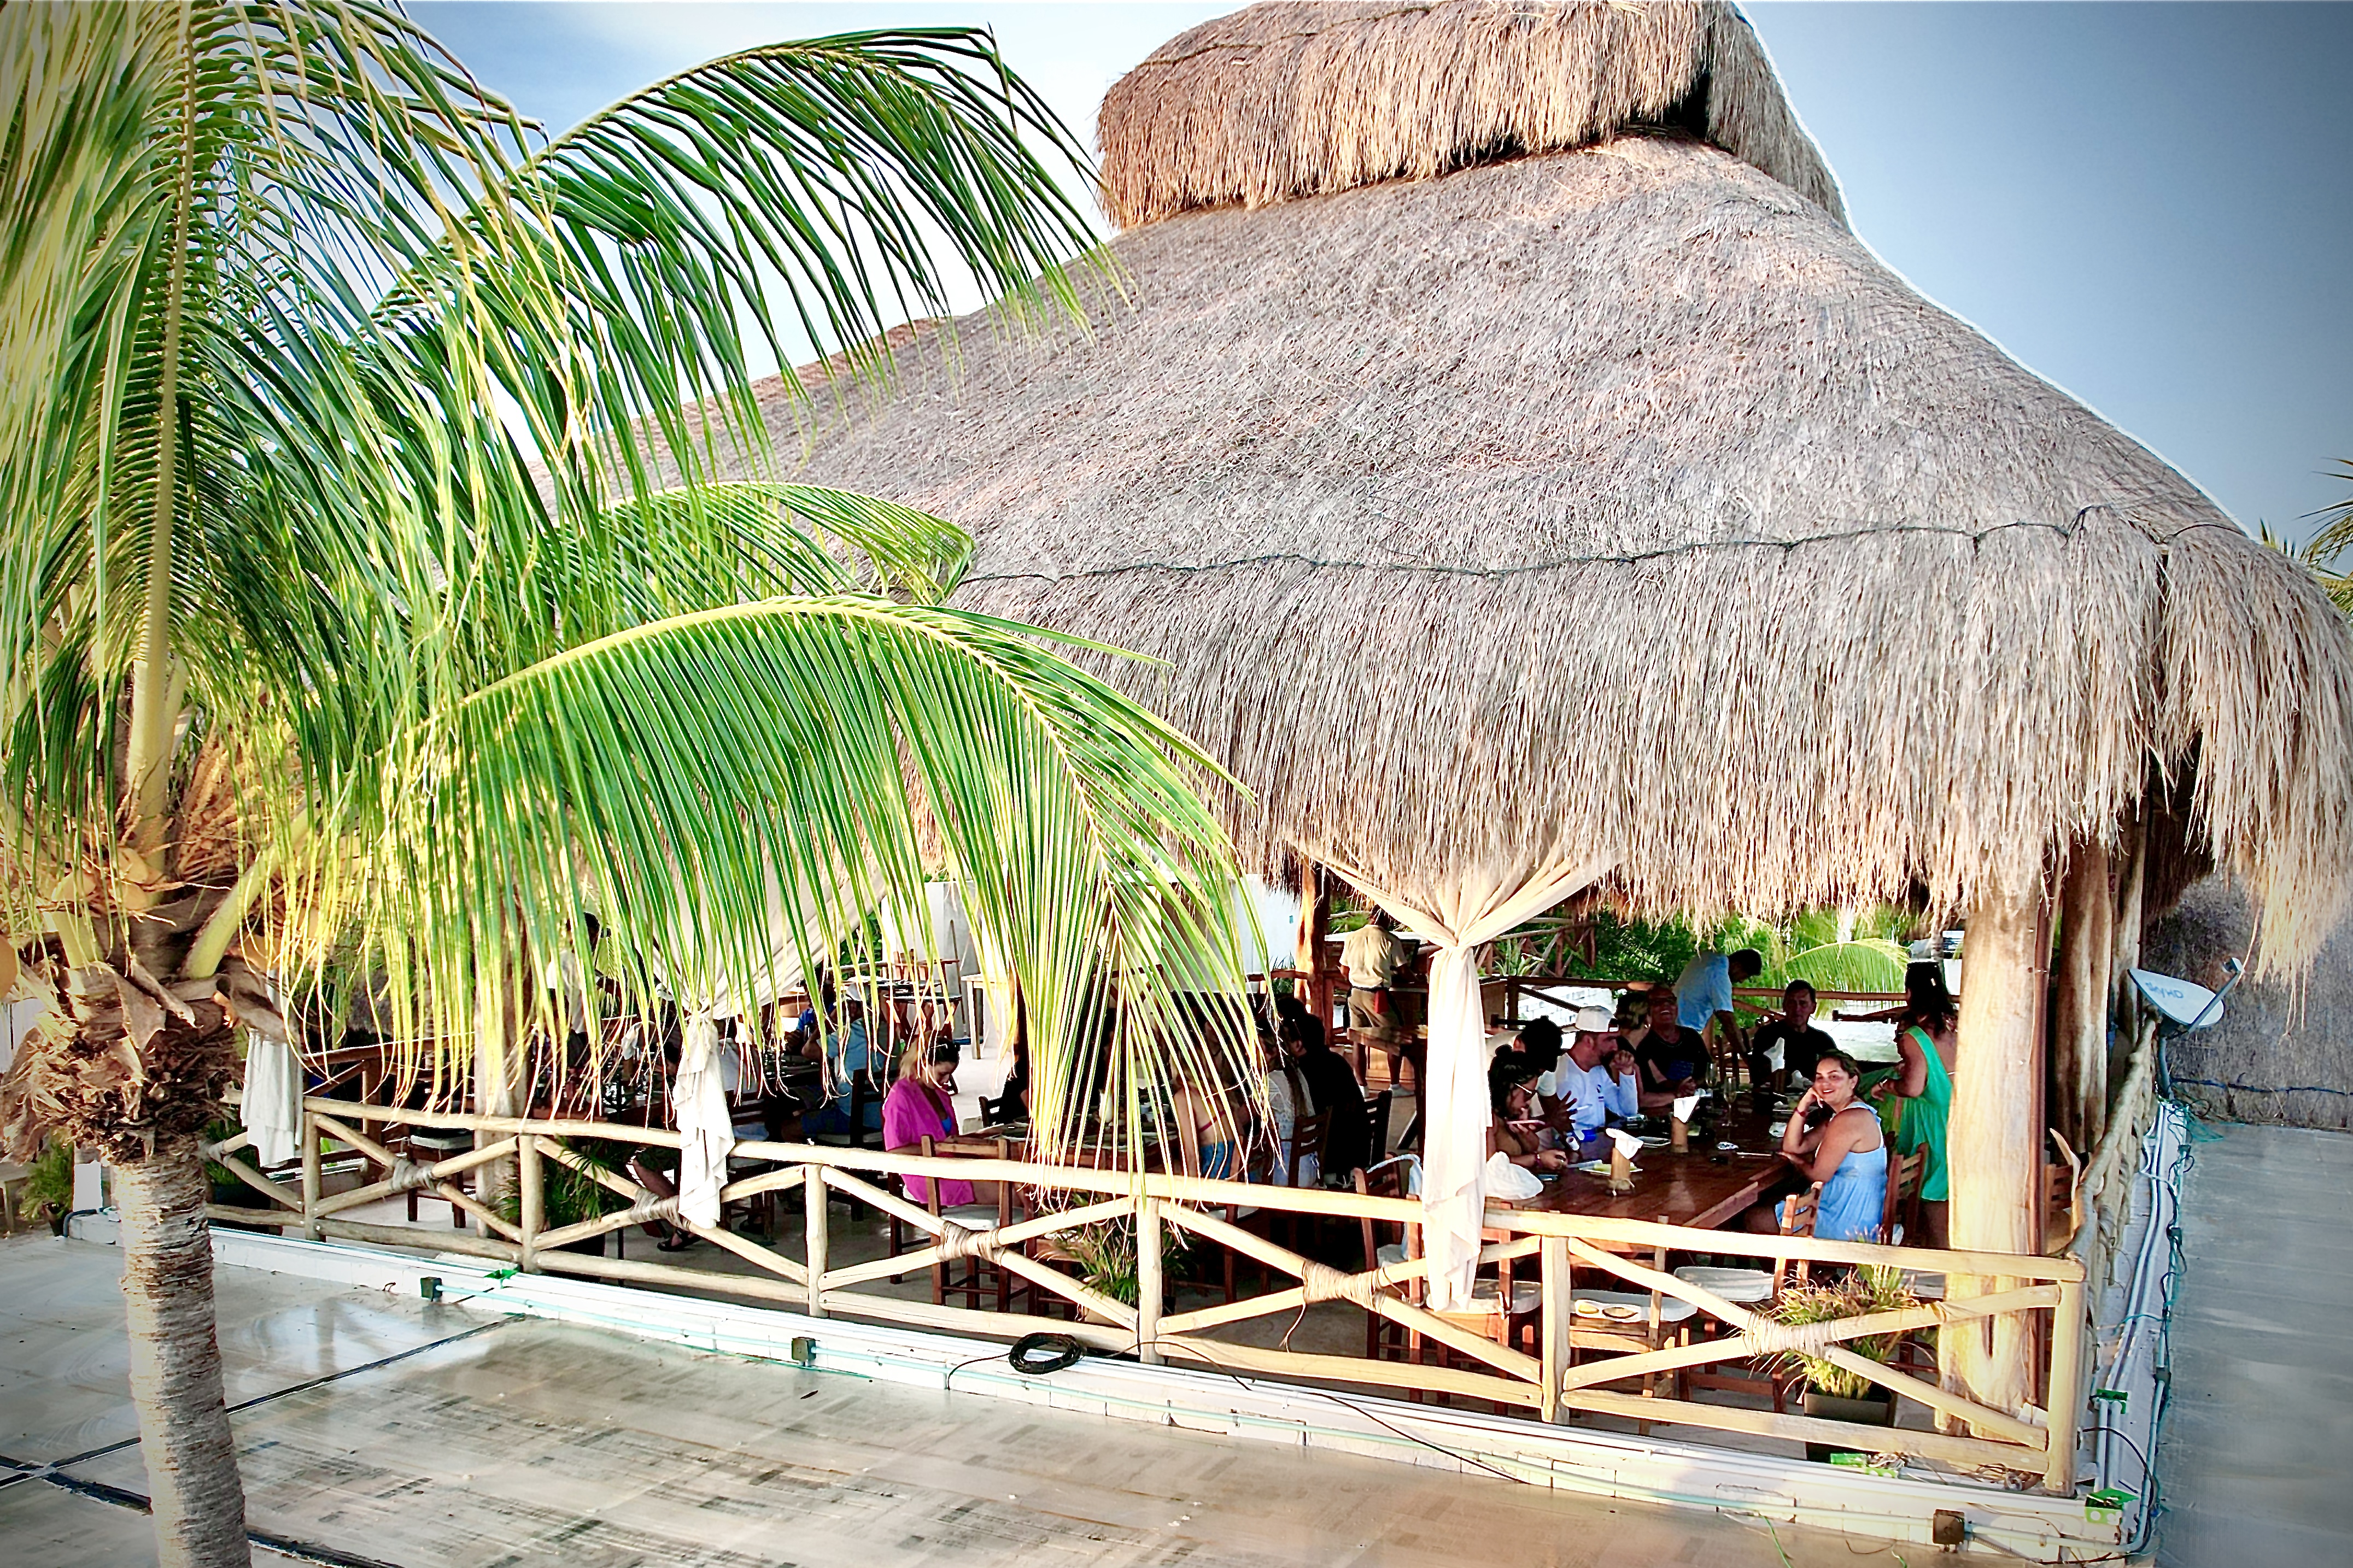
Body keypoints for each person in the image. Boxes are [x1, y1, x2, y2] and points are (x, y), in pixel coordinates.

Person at [1747, 1050, 1887, 1240]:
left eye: (1834, 1077)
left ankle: (1795, 1271)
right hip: (1855, 1215)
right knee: (1769, 1204)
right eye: (1819, 1078)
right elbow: (1794, 1146)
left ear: (1852, 1082)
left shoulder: (1850, 1119)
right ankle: (1801, 1270)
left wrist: (1798, 1162)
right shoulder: (1844, 1114)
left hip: (1846, 1223)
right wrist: (1804, 1103)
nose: (1824, 1084)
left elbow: (1818, 1176)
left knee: (1754, 1218)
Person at [1872, 961, 1954, 1248]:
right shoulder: (1953, 1026)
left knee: (1932, 1192)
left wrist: (1889, 1086)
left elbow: (1914, 1087)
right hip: (1955, 1115)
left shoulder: (1914, 1037)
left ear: (1909, 993)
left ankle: (1945, 1263)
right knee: (1944, 1191)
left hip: (1931, 1123)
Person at [882, 1038, 983, 1208]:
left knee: (1011, 1179)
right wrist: (938, 1147)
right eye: (942, 1074)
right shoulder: (901, 1095)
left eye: (950, 1074)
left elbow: (952, 1139)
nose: (947, 1080)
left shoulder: (941, 1094)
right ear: (922, 1063)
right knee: (1011, 1189)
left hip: (950, 1166)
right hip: (924, 1174)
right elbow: (894, 1152)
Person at [1287, 1009, 1372, 1181]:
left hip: (1332, 1160)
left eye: (1285, 1040)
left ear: (1298, 1045)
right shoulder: (1336, 1060)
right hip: (1357, 1151)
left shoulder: (1299, 1073)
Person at [1339, 910, 1417, 1089]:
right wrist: (1416, 977)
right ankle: (1395, 1086)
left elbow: (1345, 971)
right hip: (1377, 997)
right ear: (1388, 919)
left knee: (1358, 1040)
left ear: (1370, 917)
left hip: (1355, 994)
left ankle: (1362, 1086)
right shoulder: (1390, 940)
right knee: (1395, 1038)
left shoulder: (1352, 937)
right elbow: (1405, 972)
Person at [1550, 1006, 1639, 1146]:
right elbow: (1567, 1136)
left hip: (1597, 1147)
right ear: (1588, 1041)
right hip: (1579, 1153)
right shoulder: (1566, 1077)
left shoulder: (1597, 1070)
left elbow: (1627, 1111)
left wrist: (1626, 1072)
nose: (1615, 1047)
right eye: (1609, 1040)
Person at [798, 996, 883, 1135]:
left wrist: (828, 1021)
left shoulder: (850, 1032)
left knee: (788, 1129)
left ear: (853, 1007)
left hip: (851, 1118)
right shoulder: (889, 1031)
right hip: (884, 1118)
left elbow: (808, 1051)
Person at [1676, 946, 1763, 1068]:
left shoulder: (1708, 957)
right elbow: (1727, 1020)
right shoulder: (1720, 975)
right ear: (1737, 966)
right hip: (1683, 1036)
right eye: (1745, 976)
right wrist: (1746, 1057)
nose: (1742, 981)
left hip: (1673, 1026)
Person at [1748, 979, 1835, 1091]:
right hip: (1774, 1099)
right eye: (1792, 1003)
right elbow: (1757, 1077)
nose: (1797, 1009)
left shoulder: (1823, 1041)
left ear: (1813, 1008)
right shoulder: (1767, 1036)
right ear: (1785, 1006)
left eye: (1803, 1003)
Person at [1630, 984, 1710, 1107]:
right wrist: (1678, 1088)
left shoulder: (1691, 1036)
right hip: (1657, 1107)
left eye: (1670, 1001)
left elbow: (1707, 1071)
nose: (1665, 1005)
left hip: (1693, 1102)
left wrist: (1691, 1085)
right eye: (1657, 1002)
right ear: (1648, 1010)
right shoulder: (1642, 1041)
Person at [1488, 1056, 1568, 1174]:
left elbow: (1532, 1147)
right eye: (1526, 1094)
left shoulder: (1509, 1114)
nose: (1529, 1102)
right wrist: (1537, 1159)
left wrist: (1523, 1133)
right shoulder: (1489, 1119)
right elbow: (1490, 1163)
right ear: (1509, 1087)